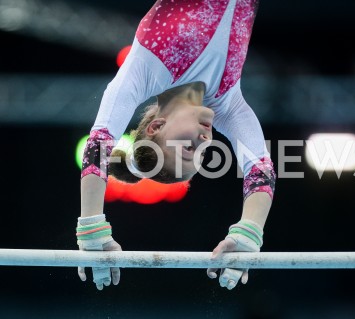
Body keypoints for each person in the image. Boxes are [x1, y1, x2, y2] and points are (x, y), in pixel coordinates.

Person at [77, 0, 276, 291]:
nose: (206, 141)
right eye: (202, 153)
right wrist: (250, 232)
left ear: (157, 126)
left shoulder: (145, 69)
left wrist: (91, 229)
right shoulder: (227, 103)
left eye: (187, 148)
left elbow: (99, 143)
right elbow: (260, 169)